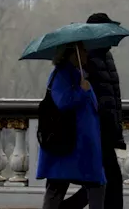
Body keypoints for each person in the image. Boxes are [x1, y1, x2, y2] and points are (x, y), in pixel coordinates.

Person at [60, 13, 125, 209]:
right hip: (95, 127)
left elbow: (113, 95)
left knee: (101, 179)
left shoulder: (104, 56)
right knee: (107, 178)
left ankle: (66, 207)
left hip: (105, 127)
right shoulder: (86, 59)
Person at [37, 42, 107, 209]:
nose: (86, 54)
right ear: (72, 53)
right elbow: (63, 102)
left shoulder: (78, 74)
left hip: (79, 144)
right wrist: (83, 91)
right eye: (82, 50)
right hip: (69, 144)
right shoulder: (61, 74)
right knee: (60, 187)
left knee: (94, 184)